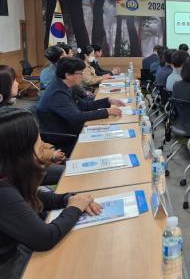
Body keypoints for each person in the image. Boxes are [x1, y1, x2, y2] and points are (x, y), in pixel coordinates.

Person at [0, 108, 102, 279]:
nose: (41, 142)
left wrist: (68, 199)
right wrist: (75, 208)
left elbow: (31, 196)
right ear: (21, 147)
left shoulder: (8, 172)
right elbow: (45, 238)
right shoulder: (3, 192)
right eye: (37, 137)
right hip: (11, 263)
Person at [0, 66, 65, 185]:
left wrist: (50, 150)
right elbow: (33, 154)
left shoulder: (16, 115)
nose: (17, 83)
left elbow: (34, 143)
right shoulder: (15, 119)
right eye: (14, 80)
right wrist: (52, 155)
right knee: (73, 172)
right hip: (28, 171)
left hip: (32, 164)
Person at [36, 57, 124, 140]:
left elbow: (83, 105)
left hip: (72, 128)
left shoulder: (65, 86)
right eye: (80, 73)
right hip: (66, 137)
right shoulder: (57, 93)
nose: (82, 76)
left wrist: (108, 100)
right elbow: (77, 117)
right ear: (68, 75)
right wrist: (107, 112)